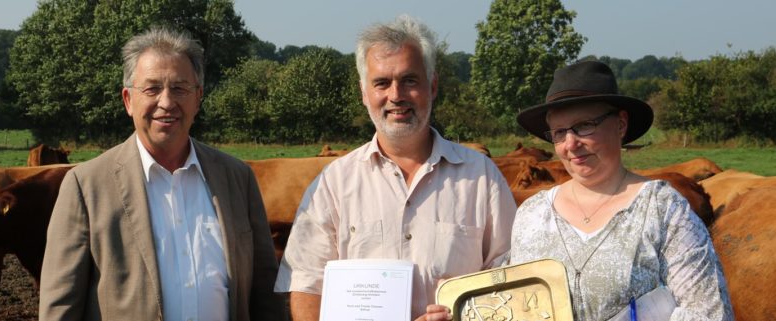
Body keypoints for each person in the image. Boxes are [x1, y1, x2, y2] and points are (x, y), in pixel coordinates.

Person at [273, 15, 517, 321]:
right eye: (381, 83)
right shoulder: (334, 184)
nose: (396, 95)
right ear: (364, 93)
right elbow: (307, 286)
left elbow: (510, 280)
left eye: (409, 80)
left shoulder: (482, 178)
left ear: (433, 86)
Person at [39, 27, 283, 321]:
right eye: (152, 88)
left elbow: (264, 293)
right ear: (129, 100)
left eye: (180, 88)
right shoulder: (86, 186)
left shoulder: (237, 178)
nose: (166, 102)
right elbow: (60, 308)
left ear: (198, 98)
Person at [494, 61, 732, 321]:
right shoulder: (533, 214)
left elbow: (710, 313)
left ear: (620, 124)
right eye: (559, 132)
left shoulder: (663, 209)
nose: (570, 144)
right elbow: (513, 307)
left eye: (584, 125)